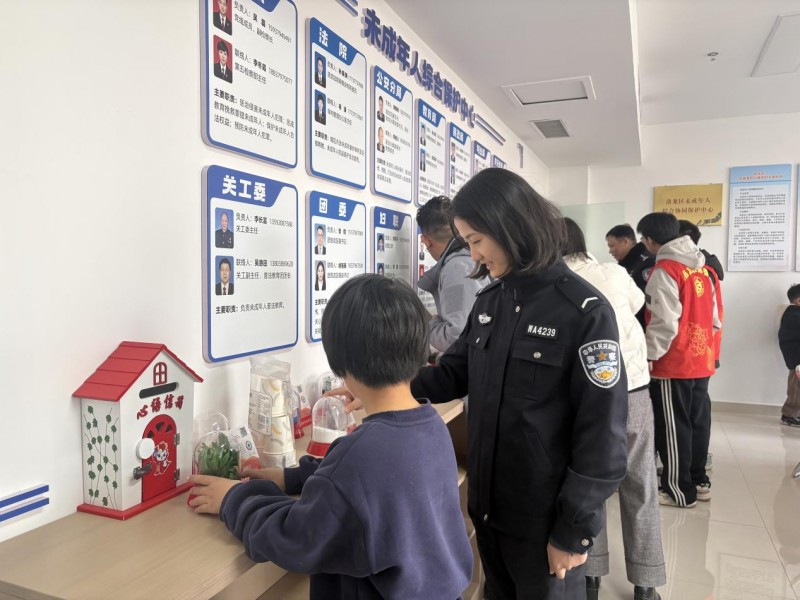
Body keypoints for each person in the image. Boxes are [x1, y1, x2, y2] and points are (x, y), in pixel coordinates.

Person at [336, 169, 628, 599]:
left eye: (475, 241)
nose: (473, 256)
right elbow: (454, 372)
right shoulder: (493, 301)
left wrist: (573, 532)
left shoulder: (582, 311)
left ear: (510, 227)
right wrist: (377, 384)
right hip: (491, 511)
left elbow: (603, 436)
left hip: (544, 522)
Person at [189, 275, 473, 600]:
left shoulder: (362, 455)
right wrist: (290, 477)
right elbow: (370, 483)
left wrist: (233, 499)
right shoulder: (430, 425)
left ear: (342, 363)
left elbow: (295, 539)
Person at [562, 218, 665, 600]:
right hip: (635, 388)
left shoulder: (555, 282)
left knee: (590, 484)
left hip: (589, 396)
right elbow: (639, 304)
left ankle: (591, 577)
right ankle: (646, 583)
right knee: (641, 486)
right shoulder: (615, 273)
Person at [637, 212, 720, 508]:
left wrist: (650, 354)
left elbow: (664, 322)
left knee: (674, 427)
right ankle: (699, 481)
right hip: (701, 359)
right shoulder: (702, 268)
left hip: (674, 364)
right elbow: (714, 319)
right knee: (697, 423)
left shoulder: (665, 270)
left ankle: (677, 490)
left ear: (649, 239)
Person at [417, 196, 487, 354]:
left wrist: (430, 323)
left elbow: (455, 337)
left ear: (425, 241)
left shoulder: (457, 270)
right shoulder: (469, 259)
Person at [606, 224, 655, 327]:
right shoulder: (627, 263)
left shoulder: (646, 262)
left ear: (625, 242)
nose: (610, 251)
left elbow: (645, 300)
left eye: (612, 246)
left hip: (644, 325)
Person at [778, 284, 800, 427]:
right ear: (798, 301)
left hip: (796, 359)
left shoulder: (793, 313)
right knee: (796, 388)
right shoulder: (794, 315)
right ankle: (789, 415)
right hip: (797, 360)